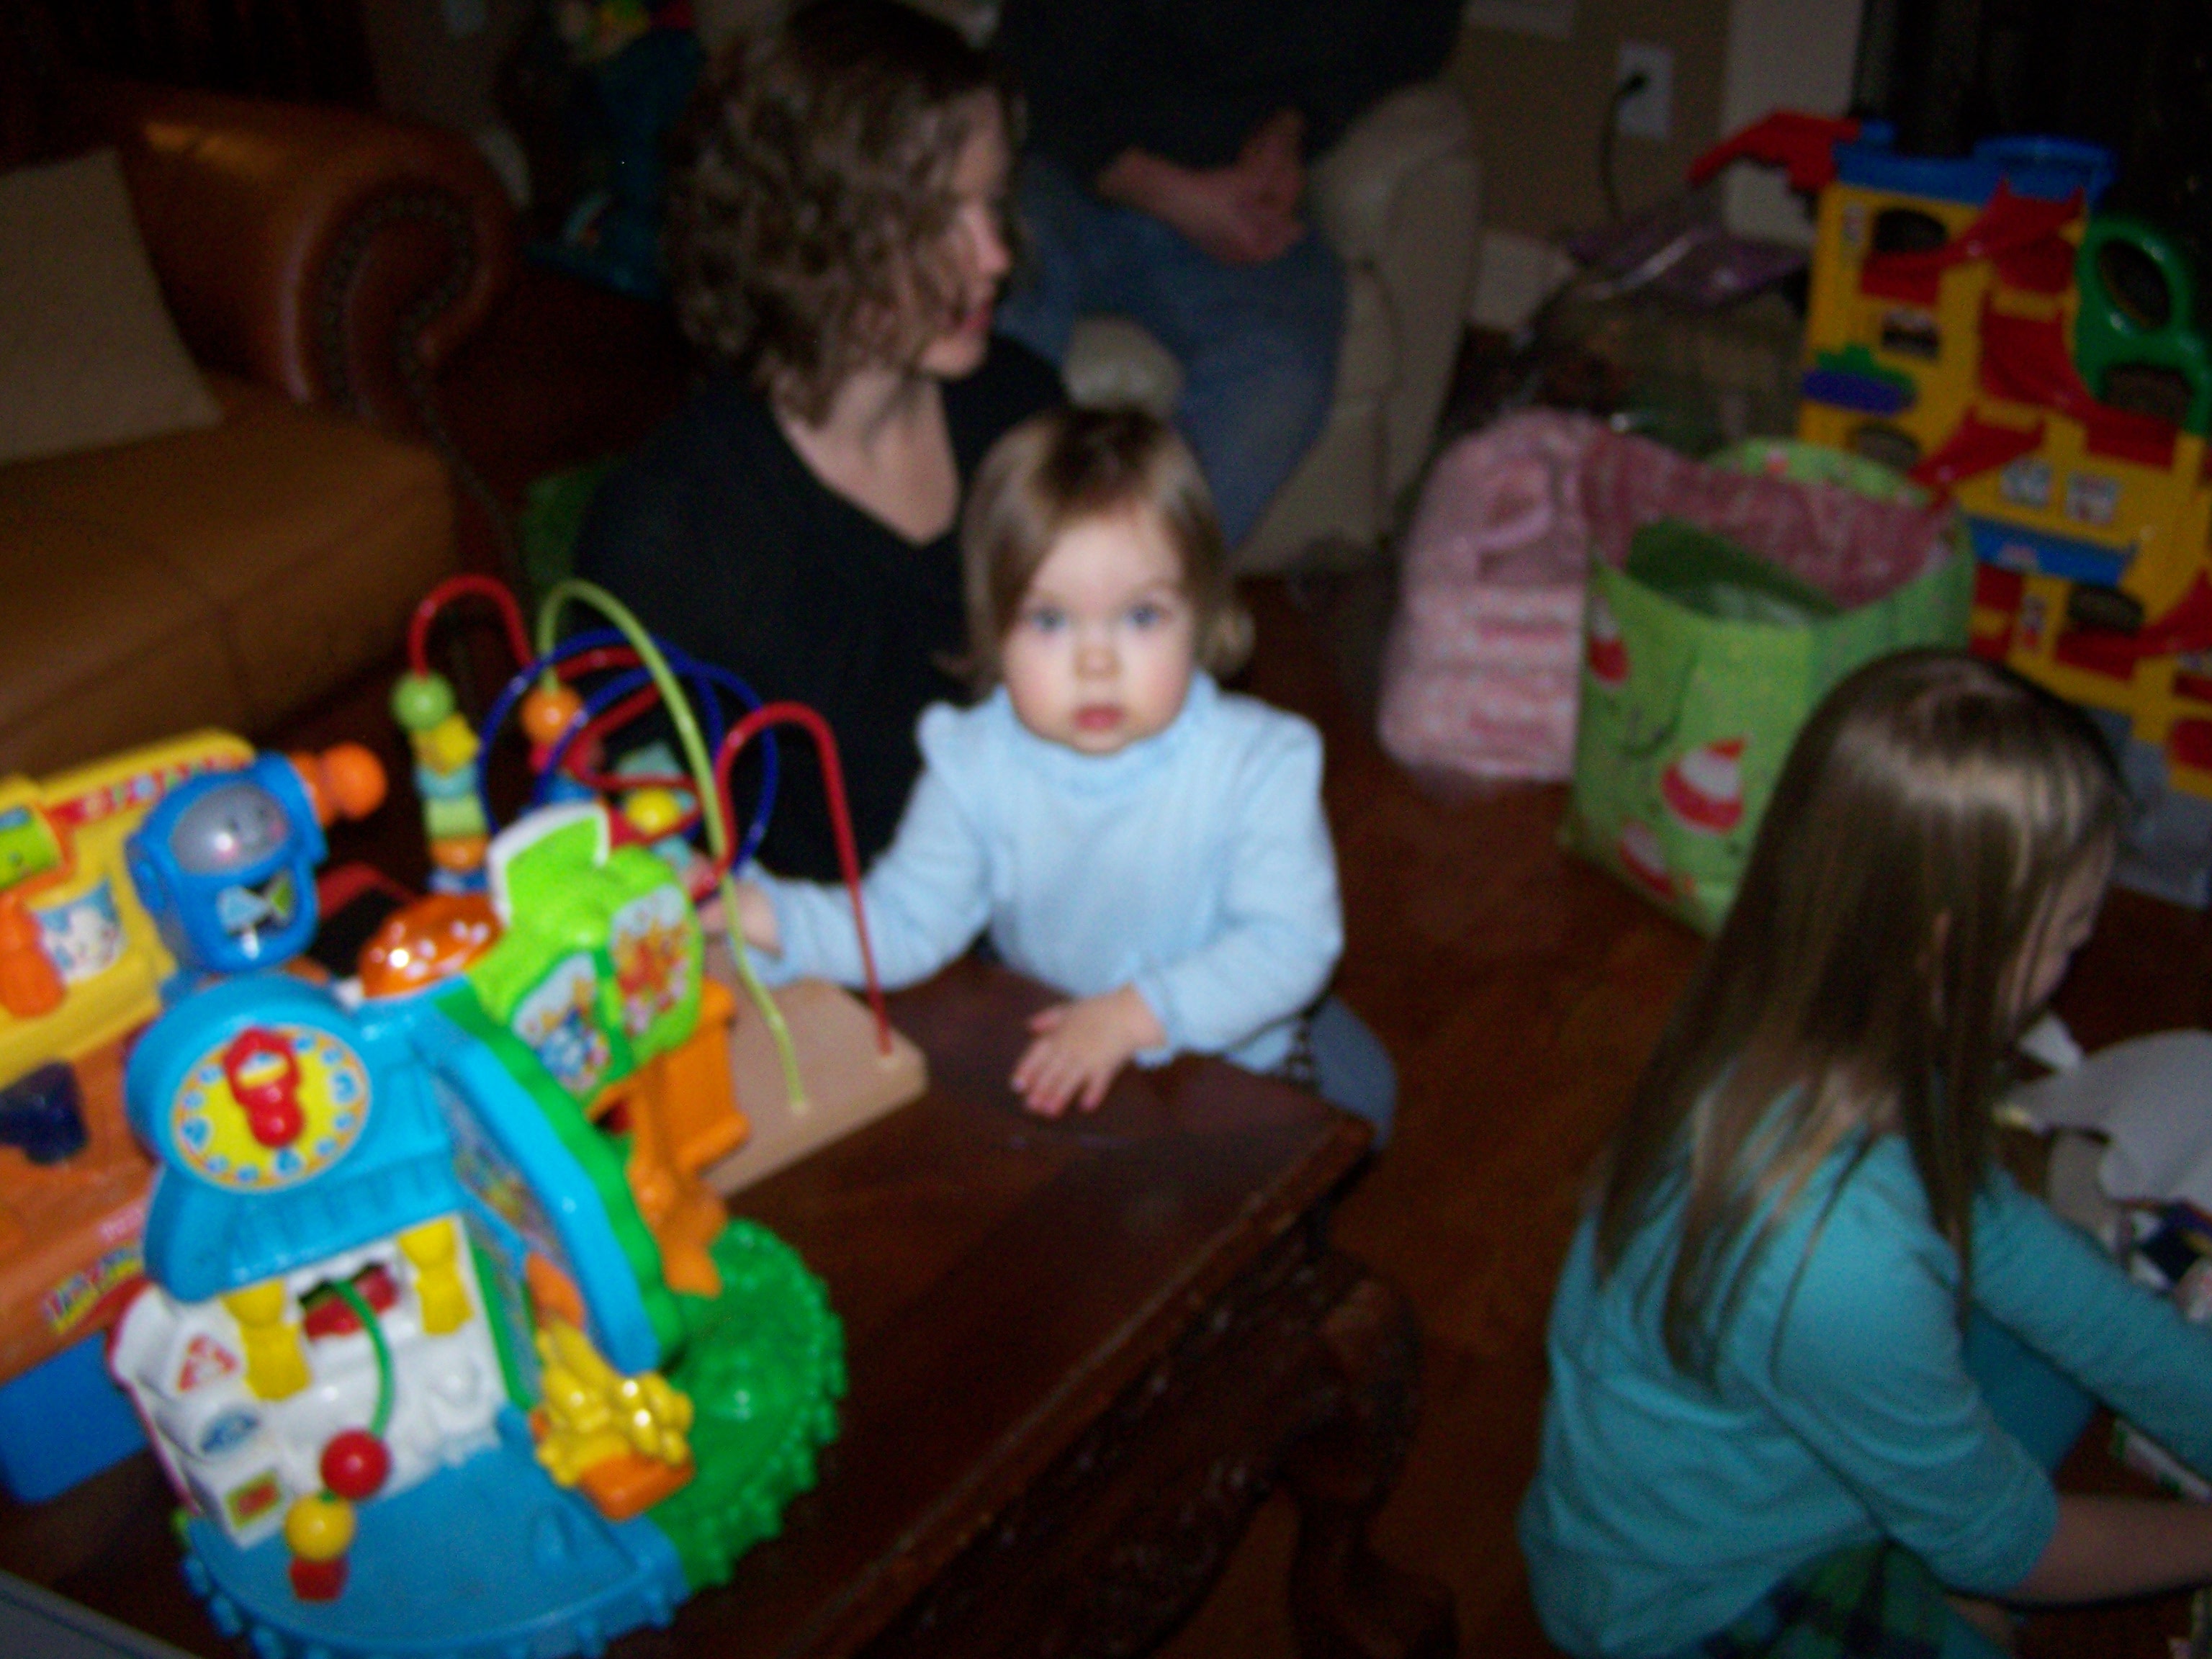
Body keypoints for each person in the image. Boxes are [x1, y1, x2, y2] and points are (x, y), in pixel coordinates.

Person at [1517, 649, 2212, 1658]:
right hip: (1699, 1596)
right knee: (2001, 1548)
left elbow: (2011, 1245)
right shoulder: (1843, 1252)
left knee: (2072, 1311)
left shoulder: (1830, 1023)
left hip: (1785, 1437)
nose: (2080, 958)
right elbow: (2007, 1545)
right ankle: (1912, 1567)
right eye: (2069, 936)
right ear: (1948, 947)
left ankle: (1918, 1548)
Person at [717, 405, 1395, 1135]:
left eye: (1141, 616)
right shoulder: (974, 763)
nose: (1095, 663)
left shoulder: (1259, 766)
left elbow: (1291, 946)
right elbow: (906, 922)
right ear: (994, 627)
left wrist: (1136, 1015)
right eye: (1049, 620)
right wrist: (765, 915)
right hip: (1064, 1047)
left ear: (1200, 615)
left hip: (1228, 1064)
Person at [572, 0, 1062, 882]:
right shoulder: (673, 534)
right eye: (936, 218)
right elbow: (624, 845)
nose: (993, 255)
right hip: (837, 946)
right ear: (803, 231)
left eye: (992, 204)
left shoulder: (1022, 411)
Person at [990, 0, 1462, 547]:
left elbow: (1412, 40)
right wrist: (1163, 191)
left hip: (1231, 191)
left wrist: (1293, 126)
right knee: (1007, 310)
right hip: (1056, 168)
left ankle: (1136, 577)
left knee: (1283, 366)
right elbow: (1031, 69)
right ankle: (987, 565)